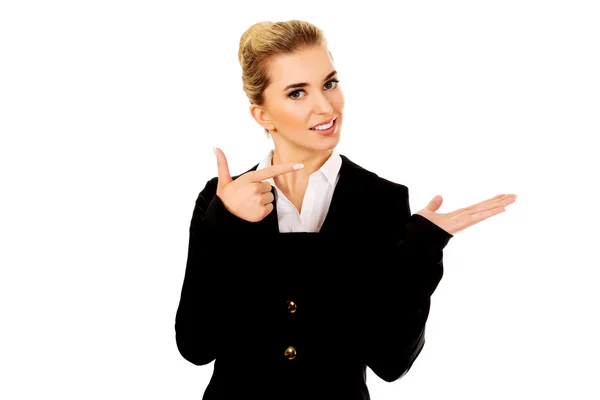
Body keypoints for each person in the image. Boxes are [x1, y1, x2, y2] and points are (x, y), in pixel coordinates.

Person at [175, 19, 517, 400]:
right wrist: (225, 223)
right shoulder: (222, 198)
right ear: (262, 114)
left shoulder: (380, 199)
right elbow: (195, 347)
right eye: (297, 93)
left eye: (329, 83)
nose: (326, 106)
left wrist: (421, 250)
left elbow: (390, 361)